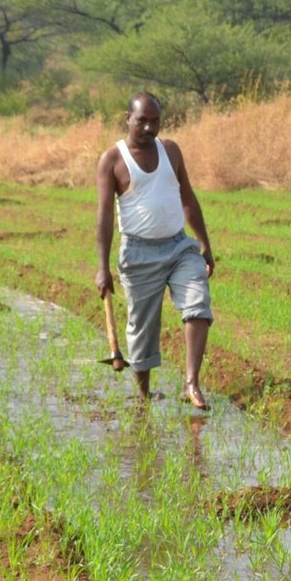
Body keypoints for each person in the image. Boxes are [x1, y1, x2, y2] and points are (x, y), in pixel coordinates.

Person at [94, 91, 216, 410]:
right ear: (128, 119)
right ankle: (144, 392)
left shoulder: (171, 150)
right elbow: (105, 217)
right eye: (142, 121)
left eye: (155, 121)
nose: (149, 128)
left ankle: (191, 383)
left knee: (197, 303)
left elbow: (188, 199)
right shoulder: (112, 160)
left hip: (178, 247)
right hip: (138, 254)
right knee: (142, 328)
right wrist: (103, 267)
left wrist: (204, 243)